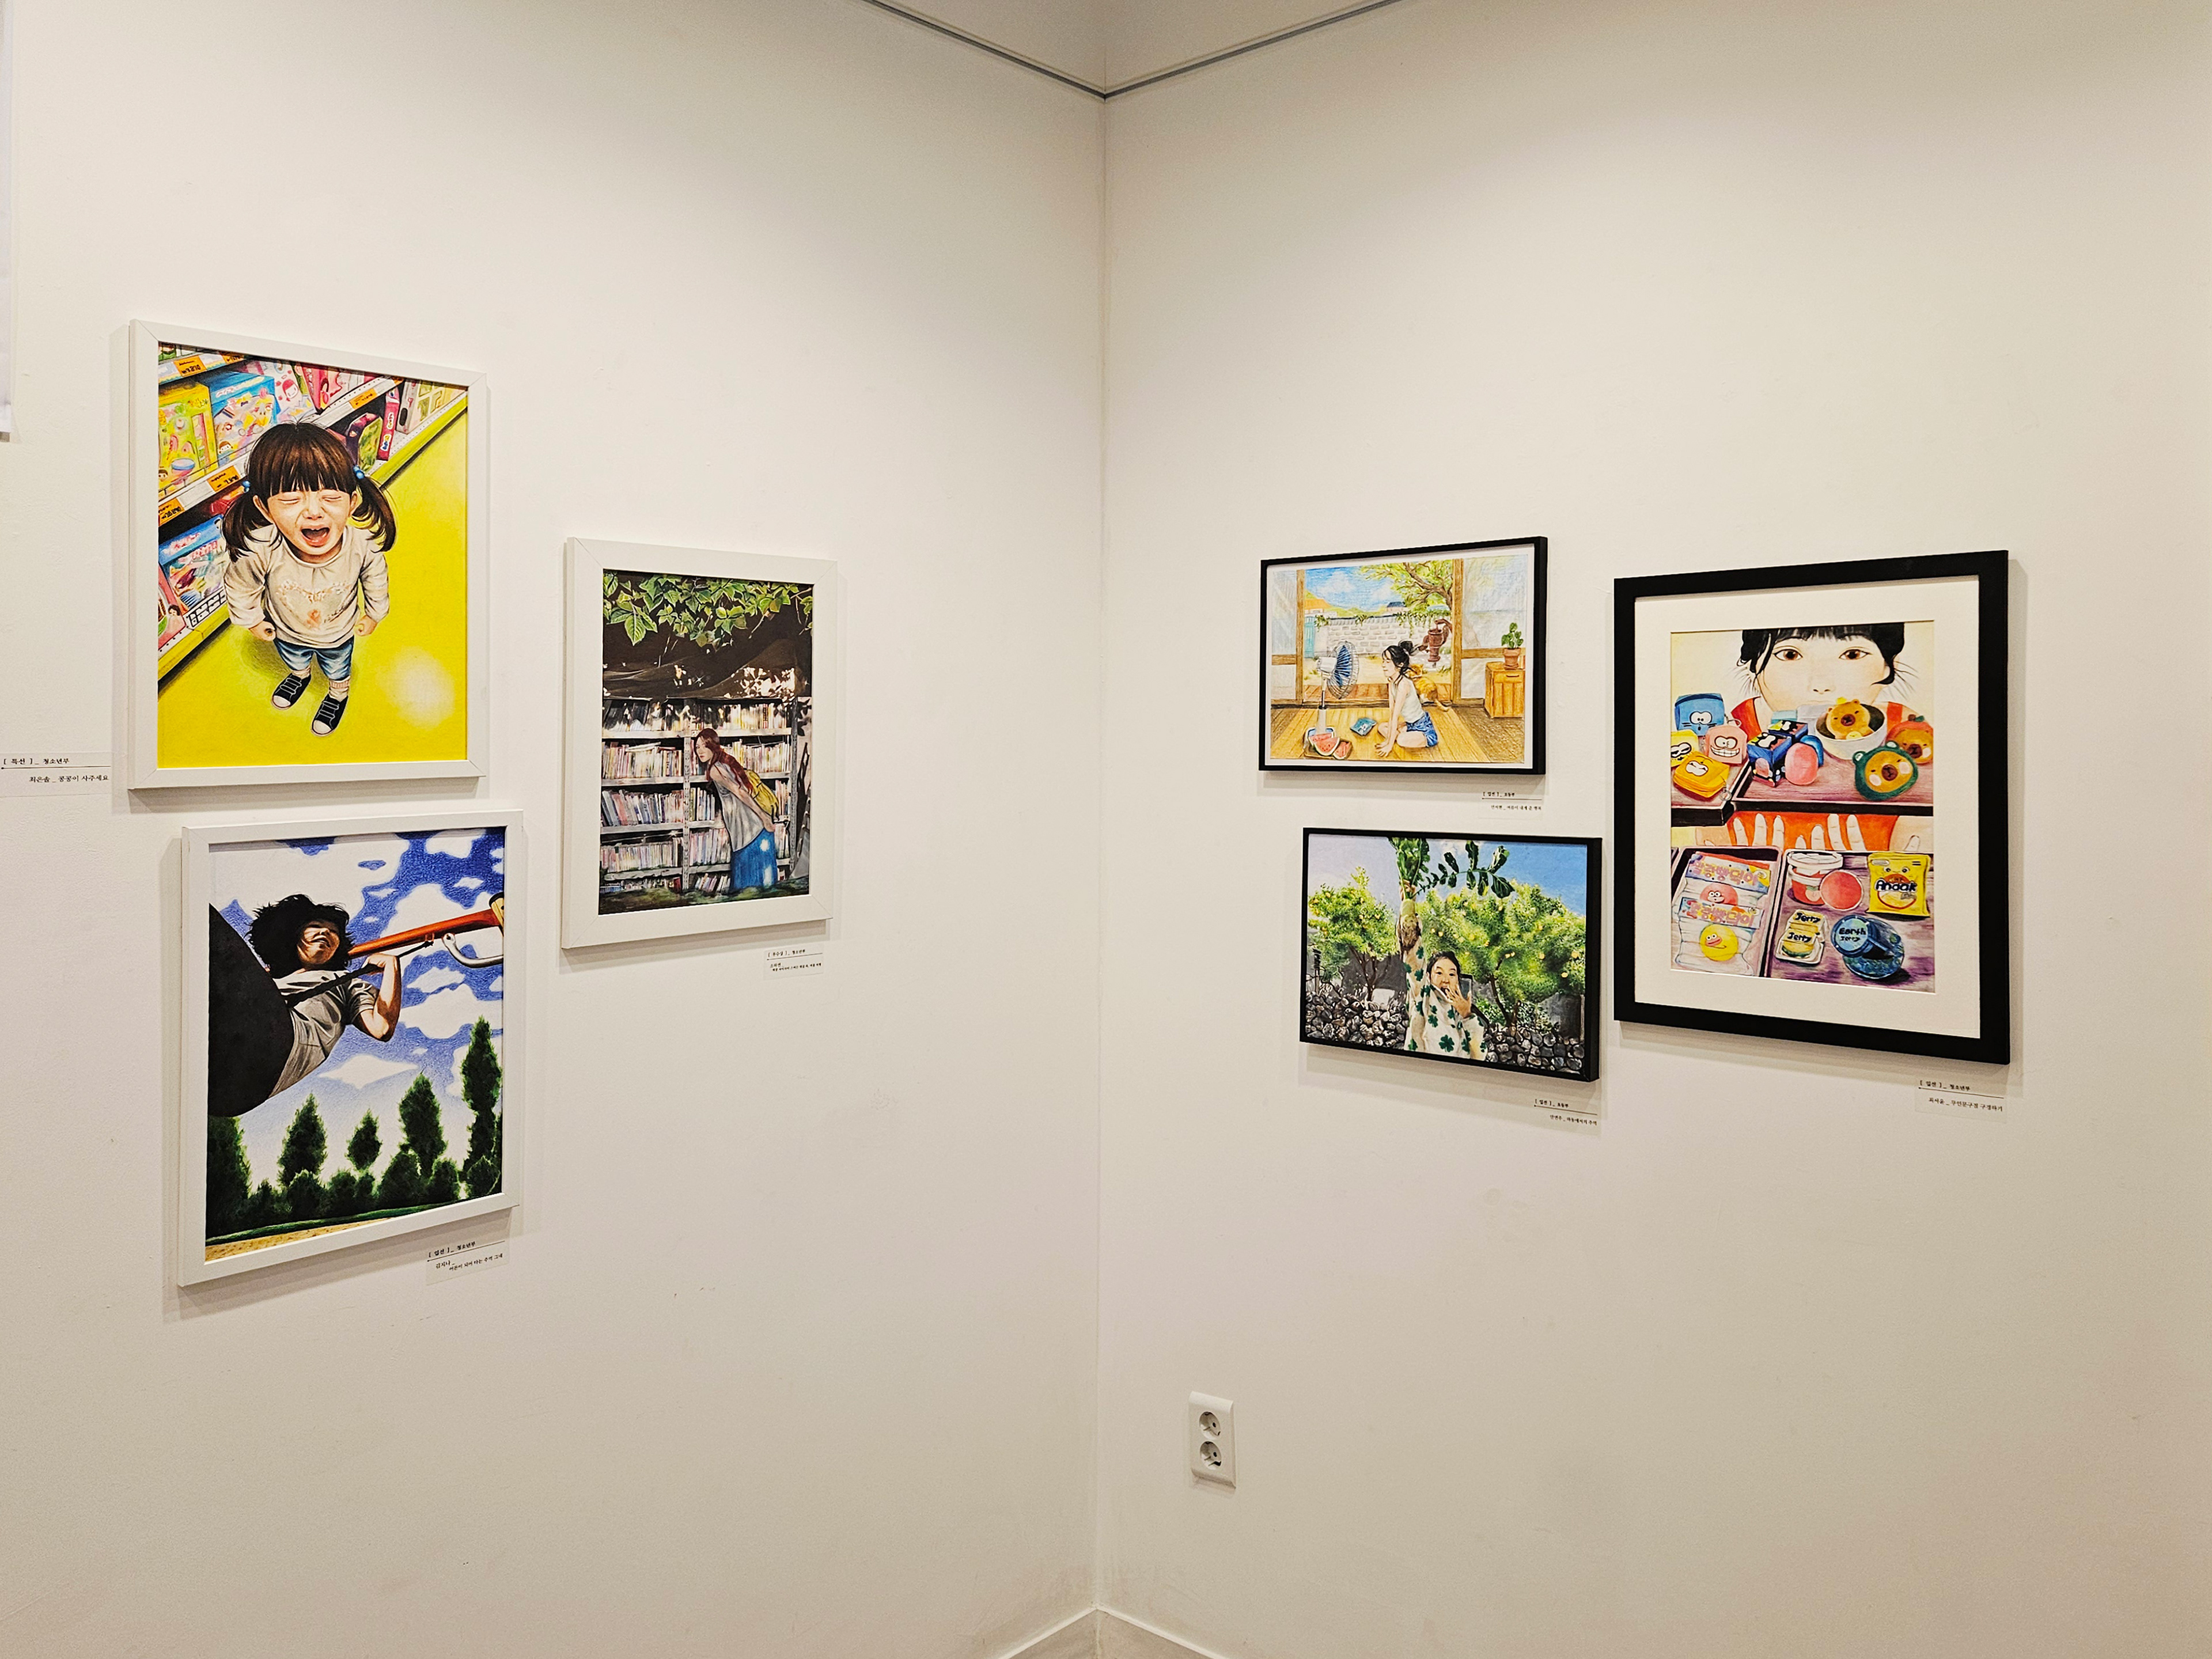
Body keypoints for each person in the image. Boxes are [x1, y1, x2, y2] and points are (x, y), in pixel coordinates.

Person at [221, 423, 396, 737]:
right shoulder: (262, 548)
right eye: (291, 500)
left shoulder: (361, 546)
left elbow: (376, 579)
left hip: (338, 634)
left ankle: (337, 695)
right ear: (265, 508)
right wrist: (252, 620)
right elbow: (241, 585)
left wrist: (375, 613)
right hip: (286, 629)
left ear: (352, 502)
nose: (314, 512)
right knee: (294, 657)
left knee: (338, 667)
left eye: (330, 497)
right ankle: (299, 676)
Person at [1708, 624, 1931, 854]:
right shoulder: (1731, 735)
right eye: (1790, 655)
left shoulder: (1907, 733)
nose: (1821, 685)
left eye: (1852, 654)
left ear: (1889, 665)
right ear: (1754, 664)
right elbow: (1707, 842)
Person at [245, 894, 401, 1096]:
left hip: (280, 1049)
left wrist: (391, 966)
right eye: (316, 926)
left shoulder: (345, 982)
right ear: (294, 936)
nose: (326, 931)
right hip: (236, 1048)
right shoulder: (267, 981)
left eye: (334, 932)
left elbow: (382, 1028)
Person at [692, 728, 781, 896]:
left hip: (750, 835)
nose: (701, 751)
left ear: (714, 746)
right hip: (754, 833)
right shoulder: (725, 763)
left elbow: (740, 792)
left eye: (705, 746)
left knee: (747, 890)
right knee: (765, 888)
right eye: (697, 747)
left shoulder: (716, 769)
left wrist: (764, 818)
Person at [1397, 904, 1482, 1060]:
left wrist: (1466, 1014)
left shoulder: (1463, 1012)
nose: (1446, 980)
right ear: (1429, 977)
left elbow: (1478, 1056)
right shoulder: (1422, 997)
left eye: (1452, 974)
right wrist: (1409, 913)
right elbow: (1415, 965)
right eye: (1439, 973)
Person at [1373, 641, 1438, 756]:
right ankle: (1400, 735)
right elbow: (1392, 712)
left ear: (1400, 665)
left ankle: (1402, 736)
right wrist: (1387, 741)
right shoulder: (1392, 682)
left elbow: (1396, 716)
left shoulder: (1403, 685)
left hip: (1423, 728)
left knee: (1401, 740)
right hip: (1409, 725)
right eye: (1383, 661)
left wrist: (1389, 745)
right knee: (1382, 727)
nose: (1383, 665)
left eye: (1388, 662)